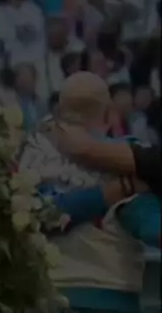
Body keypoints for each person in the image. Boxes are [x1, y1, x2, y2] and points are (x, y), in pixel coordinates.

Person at [19, 72, 161, 312]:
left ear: (59, 113)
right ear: (108, 115)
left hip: (47, 296)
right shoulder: (125, 161)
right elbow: (148, 222)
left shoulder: (31, 160)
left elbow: (30, 218)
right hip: (112, 298)